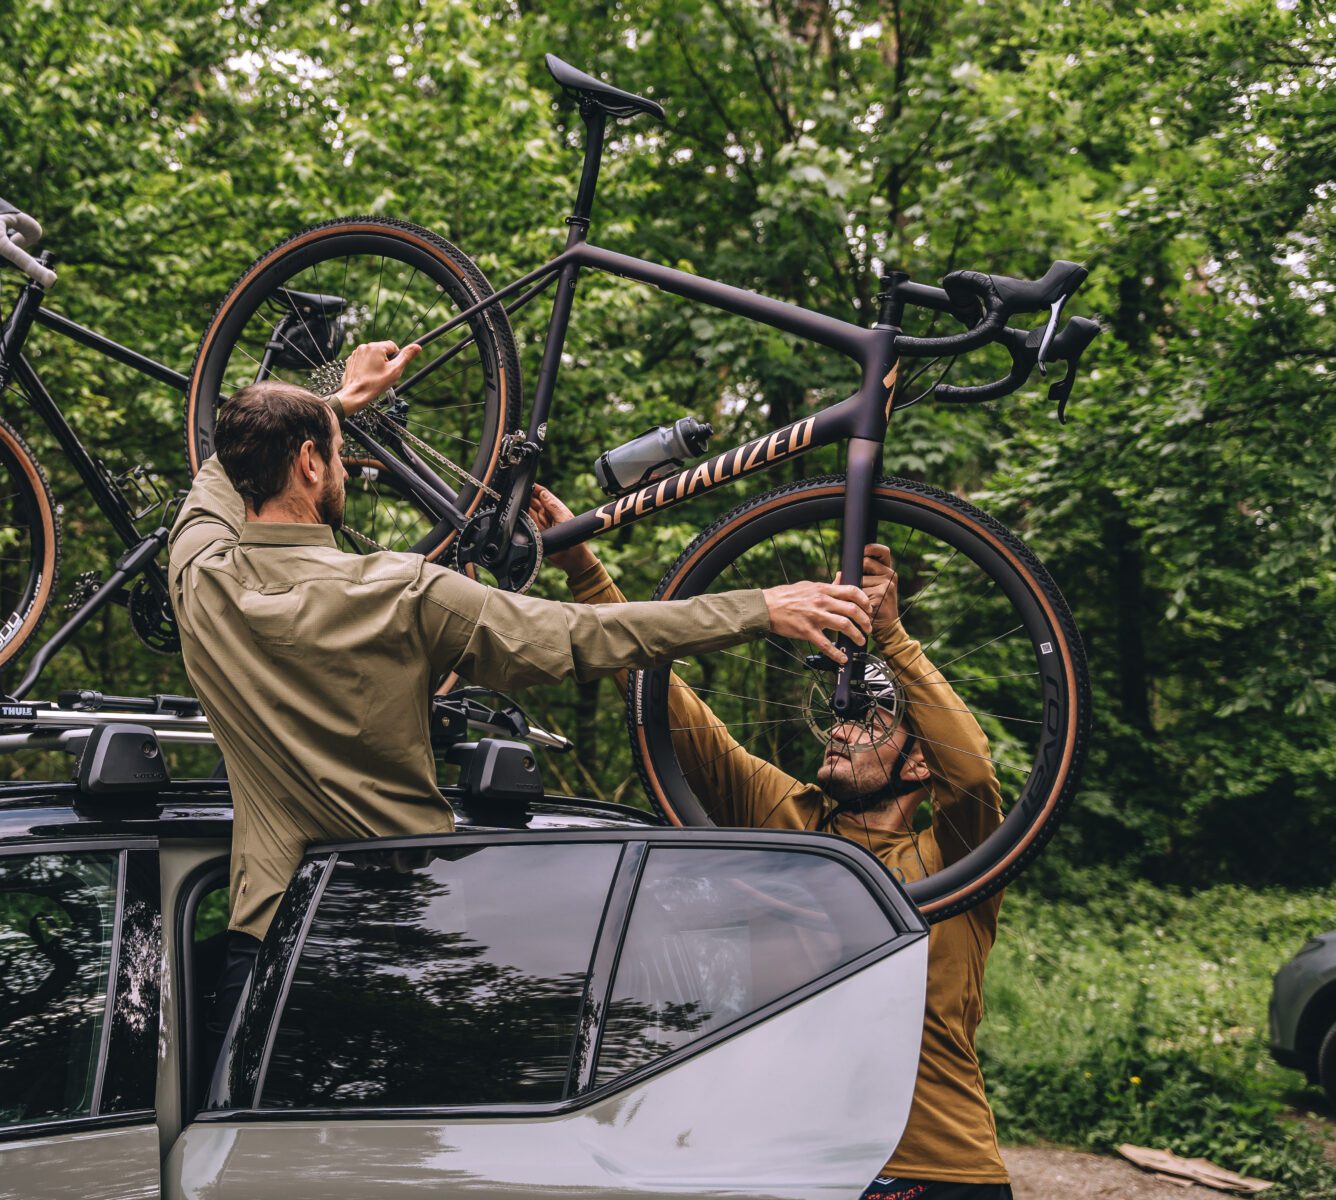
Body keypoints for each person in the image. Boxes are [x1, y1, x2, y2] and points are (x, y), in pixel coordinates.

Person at [169, 341, 876, 1044]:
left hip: (261, 962)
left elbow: (218, 476)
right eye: (335, 451)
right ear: (309, 463)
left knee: (247, 1160)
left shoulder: (200, 578)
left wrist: (333, 409)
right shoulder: (398, 591)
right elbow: (578, 637)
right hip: (394, 953)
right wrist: (761, 608)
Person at [529, 483, 1012, 1200]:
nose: (844, 725)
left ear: (917, 763)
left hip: (938, 1166)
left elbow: (972, 770)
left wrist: (893, 638)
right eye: (845, 715)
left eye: (873, 719)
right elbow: (670, 706)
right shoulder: (786, 811)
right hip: (799, 1165)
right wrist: (582, 569)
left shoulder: (952, 853)